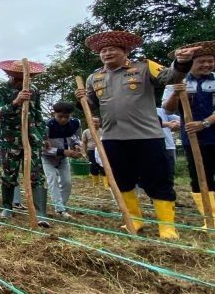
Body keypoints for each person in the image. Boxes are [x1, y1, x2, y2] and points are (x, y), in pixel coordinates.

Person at [75, 31, 194, 239]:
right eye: (103, 51)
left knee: (157, 180)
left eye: (112, 49)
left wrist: (181, 62)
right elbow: (91, 106)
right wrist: (81, 100)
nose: (107, 53)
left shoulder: (143, 67)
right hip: (113, 138)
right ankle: (134, 220)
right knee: (122, 181)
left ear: (125, 51)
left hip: (147, 136)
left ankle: (167, 226)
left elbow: (170, 76)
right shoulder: (95, 77)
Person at [0, 59, 52, 227]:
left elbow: (38, 114)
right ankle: (7, 208)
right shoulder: (0, 90)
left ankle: (40, 213)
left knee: (37, 175)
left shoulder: (34, 91)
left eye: (24, 78)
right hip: (9, 140)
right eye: (17, 79)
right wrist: (15, 102)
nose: (21, 82)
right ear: (10, 76)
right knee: (9, 174)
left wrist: (43, 136)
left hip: (32, 139)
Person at [161, 40, 215, 228]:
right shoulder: (177, 81)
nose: (207, 64)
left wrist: (205, 123)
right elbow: (167, 110)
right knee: (200, 178)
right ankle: (210, 218)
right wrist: (176, 93)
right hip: (192, 139)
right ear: (190, 63)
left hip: (209, 132)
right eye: (202, 61)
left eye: (210, 61)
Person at [43, 102, 84, 219]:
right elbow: (43, 148)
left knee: (67, 183)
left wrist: (76, 146)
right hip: (48, 157)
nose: (63, 119)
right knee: (53, 181)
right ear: (53, 114)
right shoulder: (47, 126)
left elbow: (75, 138)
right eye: (60, 116)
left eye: (67, 117)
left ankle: (62, 206)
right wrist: (63, 151)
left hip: (64, 158)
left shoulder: (75, 124)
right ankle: (60, 209)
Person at [156, 107, 181, 181]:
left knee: (169, 173)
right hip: (151, 146)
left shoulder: (161, 111)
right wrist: (168, 124)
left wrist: (176, 124)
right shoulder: (140, 111)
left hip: (168, 146)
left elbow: (180, 120)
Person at [81, 117, 105, 187]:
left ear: (99, 123)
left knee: (103, 167)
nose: (95, 124)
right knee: (93, 166)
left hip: (102, 151)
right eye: (93, 122)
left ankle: (106, 183)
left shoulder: (103, 131)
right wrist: (84, 152)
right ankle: (96, 183)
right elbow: (84, 143)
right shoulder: (86, 132)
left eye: (96, 122)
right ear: (89, 123)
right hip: (91, 151)